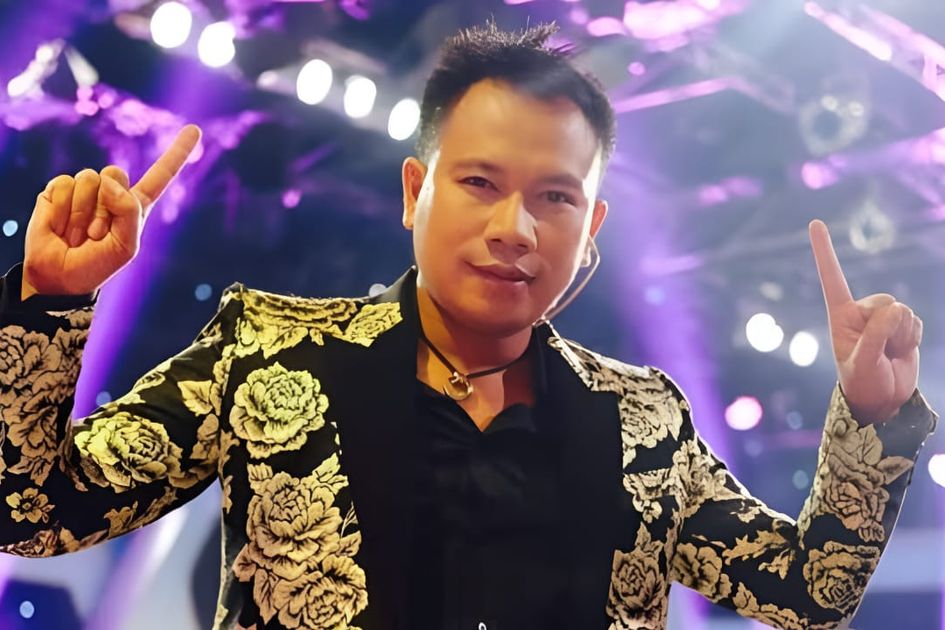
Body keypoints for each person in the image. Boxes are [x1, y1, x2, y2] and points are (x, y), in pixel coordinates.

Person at [0, 21, 937, 630]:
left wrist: (869, 420)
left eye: (555, 197)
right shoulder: (267, 353)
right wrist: (49, 304)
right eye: (480, 182)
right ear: (417, 190)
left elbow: (809, 593)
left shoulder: (644, 423)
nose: (514, 229)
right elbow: (30, 513)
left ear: (590, 227)